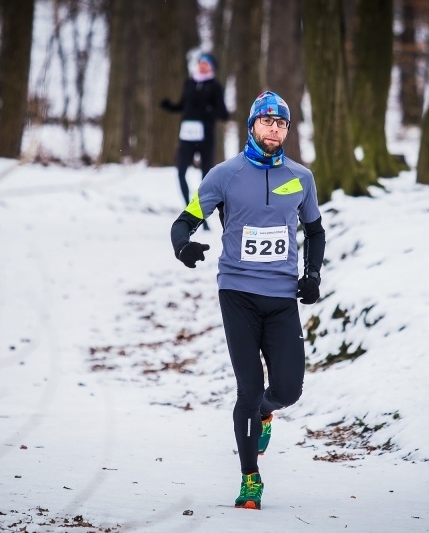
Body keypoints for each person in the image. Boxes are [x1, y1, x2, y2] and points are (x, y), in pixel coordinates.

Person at [169, 91, 326, 510]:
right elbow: (185, 221)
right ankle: (250, 478)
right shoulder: (225, 174)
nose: (274, 130)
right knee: (249, 389)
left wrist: (312, 274)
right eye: (267, 122)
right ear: (253, 125)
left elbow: (315, 231)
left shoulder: (301, 177)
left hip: (281, 297)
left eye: (282, 124)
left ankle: (266, 413)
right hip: (237, 293)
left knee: (288, 389)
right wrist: (184, 247)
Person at [160, 53, 229, 229]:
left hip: (206, 136)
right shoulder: (189, 83)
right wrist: (170, 106)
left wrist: (207, 111)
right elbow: (184, 105)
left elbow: (223, 113)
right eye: (200, 63)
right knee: (180, 171)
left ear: (212, 67)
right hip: (187, 135)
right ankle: (190, 211)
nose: (202, 66)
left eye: (206, 63)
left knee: (205, 177)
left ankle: (203, 215)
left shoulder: (215, 86)